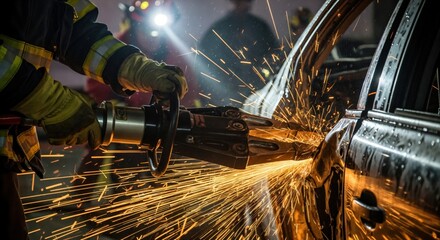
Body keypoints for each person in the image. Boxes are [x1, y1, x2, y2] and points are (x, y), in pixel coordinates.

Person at [0, 0, 188, 239]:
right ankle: (81, 197)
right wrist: (49, 101)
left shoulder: (171, 48)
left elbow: (80, 34)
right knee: (100, 148)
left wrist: (136, 68)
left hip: (4, 155)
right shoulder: (129, 32)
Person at [86, 0, 201, 108]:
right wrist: (118, 109)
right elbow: (96, 94)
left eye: (157, 34)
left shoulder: (175, 55)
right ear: (134, 27)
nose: (151, 39)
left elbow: (190, 97)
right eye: (145, 31)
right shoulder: (115, 52)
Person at [196, 0, 280, 108]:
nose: (245, 5)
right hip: (226, 92)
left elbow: (274, 54)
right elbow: (204, 59)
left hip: (256, 91)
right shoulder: (219, 28)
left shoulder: (259, 26)